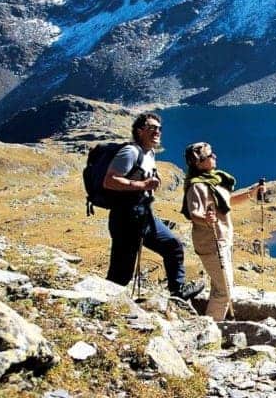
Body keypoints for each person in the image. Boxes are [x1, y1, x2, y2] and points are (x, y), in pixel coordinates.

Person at [104, 112, 203, 300]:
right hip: (126, 217)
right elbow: (109, 181)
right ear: (140, 131)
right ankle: (103, 305)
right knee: (122, 272)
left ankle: (177, 291)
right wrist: (142, 186)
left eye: (159, 128)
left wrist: (151, 183)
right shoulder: (130, 152)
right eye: (152, 128)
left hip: (144, 214)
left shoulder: (149, 152)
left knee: (172, 245)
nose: (157, 131)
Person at [183, 142, 251, 320]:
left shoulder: (214, 180)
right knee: (224, 289)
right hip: (211, 243)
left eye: (212, 154)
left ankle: (213, 321)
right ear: (198, 163)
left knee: (220, 284)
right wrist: (205, 219)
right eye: (209, 156)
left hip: (223, 240)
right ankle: (211, 327)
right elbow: (194, 213)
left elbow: (229, 201)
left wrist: (253, 193)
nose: (214, 157)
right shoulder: (197, 186)